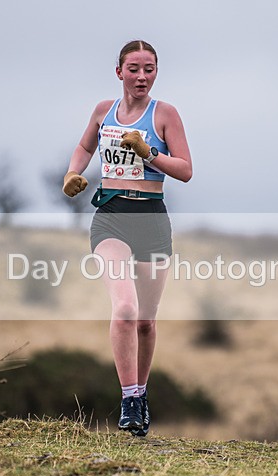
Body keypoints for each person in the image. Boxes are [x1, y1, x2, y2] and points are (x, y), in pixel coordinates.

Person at [63, 40, 192, 436]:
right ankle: (130, 399)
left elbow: (185, 170)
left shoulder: (165, 114)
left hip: (151, 220)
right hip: (111, 218)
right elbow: (86, 145)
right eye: (134, 68)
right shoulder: (103, 111)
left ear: (157, 72)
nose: (141, 76)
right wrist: (72, 174)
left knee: (146, 323)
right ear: (119, 71)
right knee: (125, 308)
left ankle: (142, 392)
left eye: (149, 69)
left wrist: (149, 154)